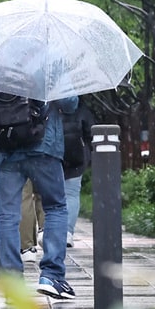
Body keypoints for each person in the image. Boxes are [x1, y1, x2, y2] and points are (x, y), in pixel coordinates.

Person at [0, 89, 79, 299]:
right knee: (55, 207)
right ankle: (52, 276)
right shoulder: (49, 60)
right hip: (42, 143)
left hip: (5, 145)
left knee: (7, 215)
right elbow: (70, 103)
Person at [61, 100, 95, 246]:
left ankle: (53, 231)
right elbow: (91, 133)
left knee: (54, 195)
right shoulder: (82, 108)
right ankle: (68, 233)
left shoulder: (50, 104)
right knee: (72, 194)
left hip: (55, 154)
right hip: (77, 156)